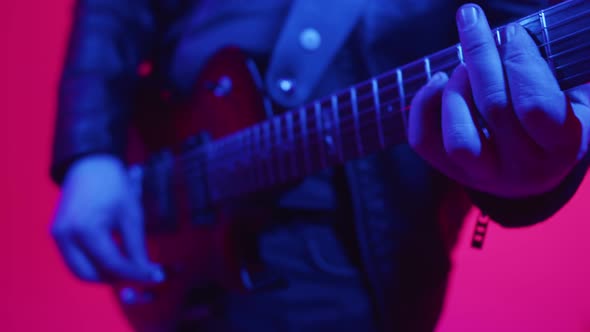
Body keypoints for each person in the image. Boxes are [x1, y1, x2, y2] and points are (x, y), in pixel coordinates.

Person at [49, 0, 590, 331]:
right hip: (170, 166)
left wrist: (540, 170)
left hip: (343, 235)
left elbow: (530, 48)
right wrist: (90, 150)